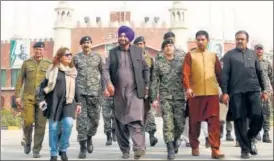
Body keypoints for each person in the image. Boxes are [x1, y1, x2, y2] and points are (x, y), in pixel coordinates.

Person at [103, 26, 149, 160]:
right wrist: (108, 83)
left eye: (124, 36)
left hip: (135, 92)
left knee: (135, 119)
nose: (122, 38)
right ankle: (125, 150)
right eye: (120, 35)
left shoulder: (138, 51)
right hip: (118, 93)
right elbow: (105, 70)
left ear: (129, 37)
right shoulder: (112, 53)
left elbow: (146, 69)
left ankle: (139, 147)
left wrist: (146, 85)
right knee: (120, 122)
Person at [221, 30, 267, 158]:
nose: (239, 41)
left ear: (247, 40)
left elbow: (260, 73)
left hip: (253, 90)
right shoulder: (229, 55)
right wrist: (225, 92)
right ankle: (245, 149)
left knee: (258, 117)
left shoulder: (253, 55)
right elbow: (225, 75)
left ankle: (250, 137)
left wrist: (264, 90)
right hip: (237, 92)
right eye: (237, 39)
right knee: (240, 120)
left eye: (242, 39)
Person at [182, 30, 224, 159]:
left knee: (214, 122)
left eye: (203, 39)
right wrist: (188, 88)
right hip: (195, 94)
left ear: (207, 41)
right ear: (196, 41)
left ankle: (215, 149)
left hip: (212, 94)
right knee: (194, 122)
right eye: (198, 39)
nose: (200, 42)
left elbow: (219, 75)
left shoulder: (213, 56)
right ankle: (195, 146)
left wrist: (225, 91)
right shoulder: (190, 55)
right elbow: (185, 74)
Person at [37, 47, 82, 161]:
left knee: (68, 125)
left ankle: (63, 149)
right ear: (60, 57)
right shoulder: (52, 69)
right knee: (53, 128)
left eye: (70, 54)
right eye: (67, 55)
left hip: (69, 102)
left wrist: (79, 103)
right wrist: (42, 99)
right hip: (54, 102)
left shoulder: (72, 70)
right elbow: (44, 86)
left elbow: (76, 87)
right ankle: (53, 153)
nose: (69, 56)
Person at [150, 39, 186, 160]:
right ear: (163, 49)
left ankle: (176, 140)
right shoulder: (158, 63)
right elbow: (154, 81)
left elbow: (187, 77)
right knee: (168, 123)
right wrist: (154, 98)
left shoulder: (181, 61)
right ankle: (170, 147)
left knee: (180, 124)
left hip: (180, 97)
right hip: (165, 98)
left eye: (170, 45)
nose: (168, 48)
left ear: (174, 47)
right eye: (166, 46)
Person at [15, 42, 51, 158]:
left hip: (43, 100)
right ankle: (28, 141)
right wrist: (17, 96)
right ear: (33, 50)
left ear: (43, 50)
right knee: (28, 122)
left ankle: (36, 149)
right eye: (36, 49)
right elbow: (20, 80)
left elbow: (52, 82)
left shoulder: (49, 64)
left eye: (40, 49)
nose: (38, 51)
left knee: (41, 125)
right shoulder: (27, 63)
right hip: (28, 98)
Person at [73, 36, 104, 158]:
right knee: (81, 122)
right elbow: (71, 73)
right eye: (84, 43)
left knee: (95, 121)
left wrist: (105, 88)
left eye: (88, 42)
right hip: (80, 95)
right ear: (81, 45)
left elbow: (104, 73)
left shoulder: (98, 57)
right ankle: (82, 147)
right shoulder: (76, 58)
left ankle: (89, 137)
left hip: (95, 94)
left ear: (91, 44)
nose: (86, 44)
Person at [133, 36, 158, 147]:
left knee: (148, 112)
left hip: (146, 90)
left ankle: (152, 134)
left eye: (142, 44)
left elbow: (153, 77)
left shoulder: (150, 59)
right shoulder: (130, 58)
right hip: (134, 91)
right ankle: (139, 137)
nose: (140, 46)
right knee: (136, 114)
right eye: (138, 44)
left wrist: (152, 93)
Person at [254, 44, 273, 143]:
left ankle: (266, 133)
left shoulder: (267, 63)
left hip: (266, 91)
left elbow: (271, 77)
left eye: (261, 49)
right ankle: (256, 132)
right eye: (257, 49)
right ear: (254, 51)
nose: (259, 51)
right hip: (255, 91)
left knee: (267, 112)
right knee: (255, 112)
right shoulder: (251, 62)